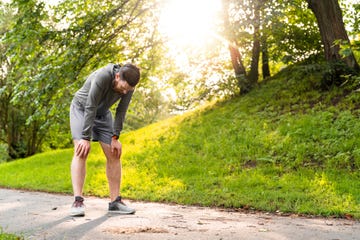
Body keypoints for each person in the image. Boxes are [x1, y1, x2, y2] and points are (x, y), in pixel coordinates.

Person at [69, 63, 140, 217]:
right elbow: (90, 105)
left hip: (102, 114)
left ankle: (115, 202)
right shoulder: (102, 76)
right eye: (124, 87)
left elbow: (121, 111)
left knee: (114, 153)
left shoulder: (129, 86)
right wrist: (85, 137)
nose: (125, 91)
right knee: (82, 151)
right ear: (117, 76)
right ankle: (78, 201)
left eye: (129, 89)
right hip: (82, 109)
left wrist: (115, 137)